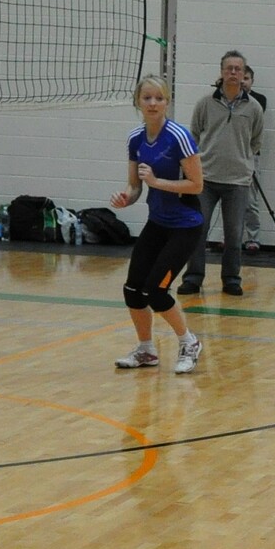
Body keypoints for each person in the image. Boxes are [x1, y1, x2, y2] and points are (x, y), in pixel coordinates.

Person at [112, 76, 205, 374]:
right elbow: (135, 186)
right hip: (157, 222)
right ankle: (146, 350)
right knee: (132, 289)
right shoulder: (135, 139)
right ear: (138, 101)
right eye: (147, 98)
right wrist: (127, 197)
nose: (153, 103)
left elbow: (197, 185)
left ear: (167, 102)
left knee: (156, 290)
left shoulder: (179, 136)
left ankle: (189, 342)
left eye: (159, 98)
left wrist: (156, 182)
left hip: (185, 225)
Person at [178, 50, 263, 296]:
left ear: (244, 74)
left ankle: (231, 279)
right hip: (205, 179)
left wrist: (240, 161)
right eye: (229, 68)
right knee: (197, 230)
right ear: (222, 72)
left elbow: (256, 141)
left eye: (238, 69)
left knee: (234, 235)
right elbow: (194, 135)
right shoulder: (205, 103)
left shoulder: (254, 107)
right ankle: (193, 278)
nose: (233, 72)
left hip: (238, 181)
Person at [239, 64, 268, 254]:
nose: (242, 82)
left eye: (246, 78)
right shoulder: (223, 99)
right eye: (240, 78)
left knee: (250, 200)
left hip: (250, 155)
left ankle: (253, 238)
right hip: (230, 155)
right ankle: (230, 237)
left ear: (252, 81)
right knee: (229, 200)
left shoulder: (258, 100)